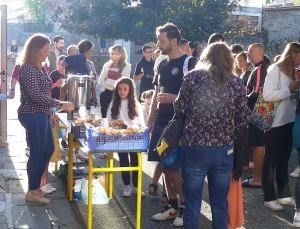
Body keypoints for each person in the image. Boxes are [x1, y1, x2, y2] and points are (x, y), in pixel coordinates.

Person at [174, 41, 251, 229]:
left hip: (195, 147)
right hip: (224, 149)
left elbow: (179, 108)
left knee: (192, 204)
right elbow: (244, 118)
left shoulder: (193, 77)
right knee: (219, 203)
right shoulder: (236, 82)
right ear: (228, 59)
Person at [148, 23, 196, 227]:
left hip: (178, 123)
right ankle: (173, 206)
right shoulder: (161, 63)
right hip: (160, 121)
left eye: (161, 41)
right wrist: (149, 122)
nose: (158, 45)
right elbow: (155, 95)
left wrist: (175, 98)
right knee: (165, 164)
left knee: (171, 166)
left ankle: (186, 207)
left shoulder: (190, 62)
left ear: (173, 41)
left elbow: (198, 96)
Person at [17, 33, 74, 204]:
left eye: (48, 49)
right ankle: (33, 190)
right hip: (32, 114)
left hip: (41, 113)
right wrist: (60, 103)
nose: (47, 53)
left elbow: (45, 92)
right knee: (37, 152)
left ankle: (35, 186)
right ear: (35, 50)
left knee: (48, 149)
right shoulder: (27, 67)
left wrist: (51, 112)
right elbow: (35, 95)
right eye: (44, 50)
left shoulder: (40, 67)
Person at [262, 42, 300, 210]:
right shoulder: (275, 69)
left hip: (288, 121)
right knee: (270, 160)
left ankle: (284, 194)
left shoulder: (292, 71)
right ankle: (269, 197)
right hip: (275, 123)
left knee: (283, 160)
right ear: (293, 54)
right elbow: (267, 95)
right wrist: (290, 89)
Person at [106, 77, 146, 197]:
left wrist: (142, 131)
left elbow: (141, 121)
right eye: (119, 89)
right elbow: (108, 120)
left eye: (125, 89)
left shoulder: (135, 103)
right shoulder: (114, 103)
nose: (122, 92)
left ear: (130, 90)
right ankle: (127, 185)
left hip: (134, 137)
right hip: (119, 137)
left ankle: (137, 186)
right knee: (123, 161)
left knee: (135, 161)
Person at [242, 43, 268, 188]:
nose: (247, 53)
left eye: (250, 51)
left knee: (257, 146)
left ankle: (258, 178)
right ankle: (259, 174)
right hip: (259, 112)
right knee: (258, 145)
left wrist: (243, 98)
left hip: (256, 113)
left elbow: (257, 92)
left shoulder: (259, 69)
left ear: (259, 52)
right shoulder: (260, 68)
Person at [99, 44, 131, 118]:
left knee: (116, 117)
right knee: (105, 117)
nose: (111, 55)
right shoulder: (107, 65)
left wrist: (108, 81)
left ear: (120, 55)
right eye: (111, 53)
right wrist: (114, 83)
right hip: (105, 94)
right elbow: (100, 81)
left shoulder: (126, 67)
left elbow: (123, 83)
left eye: (114, 54)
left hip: (118, 95)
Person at [235, 51, 253, 172]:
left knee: (244, 136)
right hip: (243, 107)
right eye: (237, 60)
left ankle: (246, 163)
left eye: (241, 60)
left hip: (246, 107)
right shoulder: (243, 74)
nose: (238, 63)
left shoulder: (248, 74)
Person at [78, 39, 98, 104]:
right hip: (76, 95)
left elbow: (95, 78)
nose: (91, 54)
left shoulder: (90, 63)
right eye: (91, 51)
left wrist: (93, 80)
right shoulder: (74, 63)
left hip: (88, 96)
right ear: (85, 51)